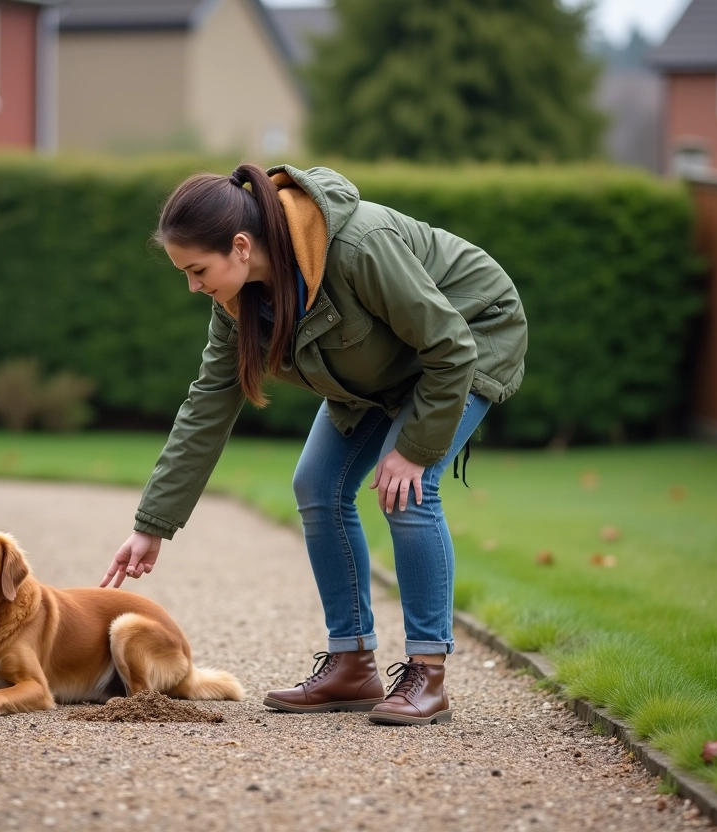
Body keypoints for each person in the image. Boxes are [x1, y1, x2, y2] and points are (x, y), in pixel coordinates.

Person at [100, 162, 527, 726]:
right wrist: (152, 524)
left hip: (469, 338)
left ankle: (429, 674)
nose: (193, 285)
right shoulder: (238, 301)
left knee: (410, 489)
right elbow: (208, 404)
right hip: (383, 366)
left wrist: (415, 449)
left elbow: (448, 345)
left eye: (198, 269)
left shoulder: (358, 245)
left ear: (242, 246)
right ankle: (352, 664)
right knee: (317, 485)